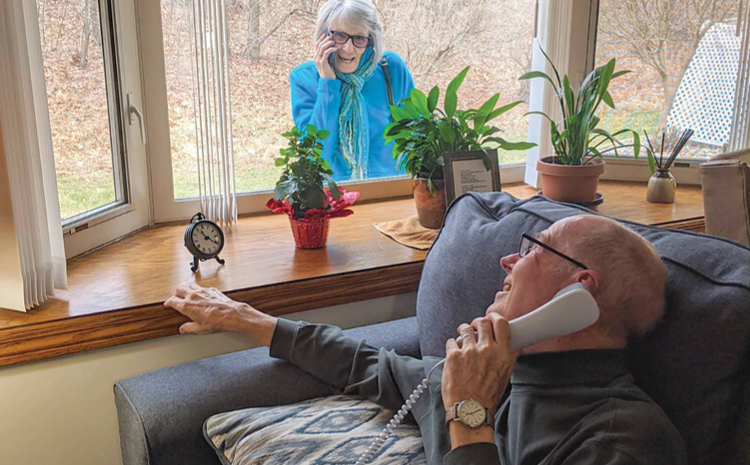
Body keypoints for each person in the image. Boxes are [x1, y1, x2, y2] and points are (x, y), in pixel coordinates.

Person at [164, 215, 687, 464]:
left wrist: (470, 415)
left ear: (580, 291)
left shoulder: (626, 439)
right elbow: (367, 364)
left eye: (534, 248)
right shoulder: (490, 373)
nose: (507, 260)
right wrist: (249, 320)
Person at [289, 0, 415, 181]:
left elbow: (416, 136)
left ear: (370, 40)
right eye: (339, 36)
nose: (348, 48)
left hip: (390, 192)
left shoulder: (391, 69)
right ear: (323, 35)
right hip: (335, 201)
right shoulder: (304, 79)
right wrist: (327, 84)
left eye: (359, 38)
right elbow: (316, 156)